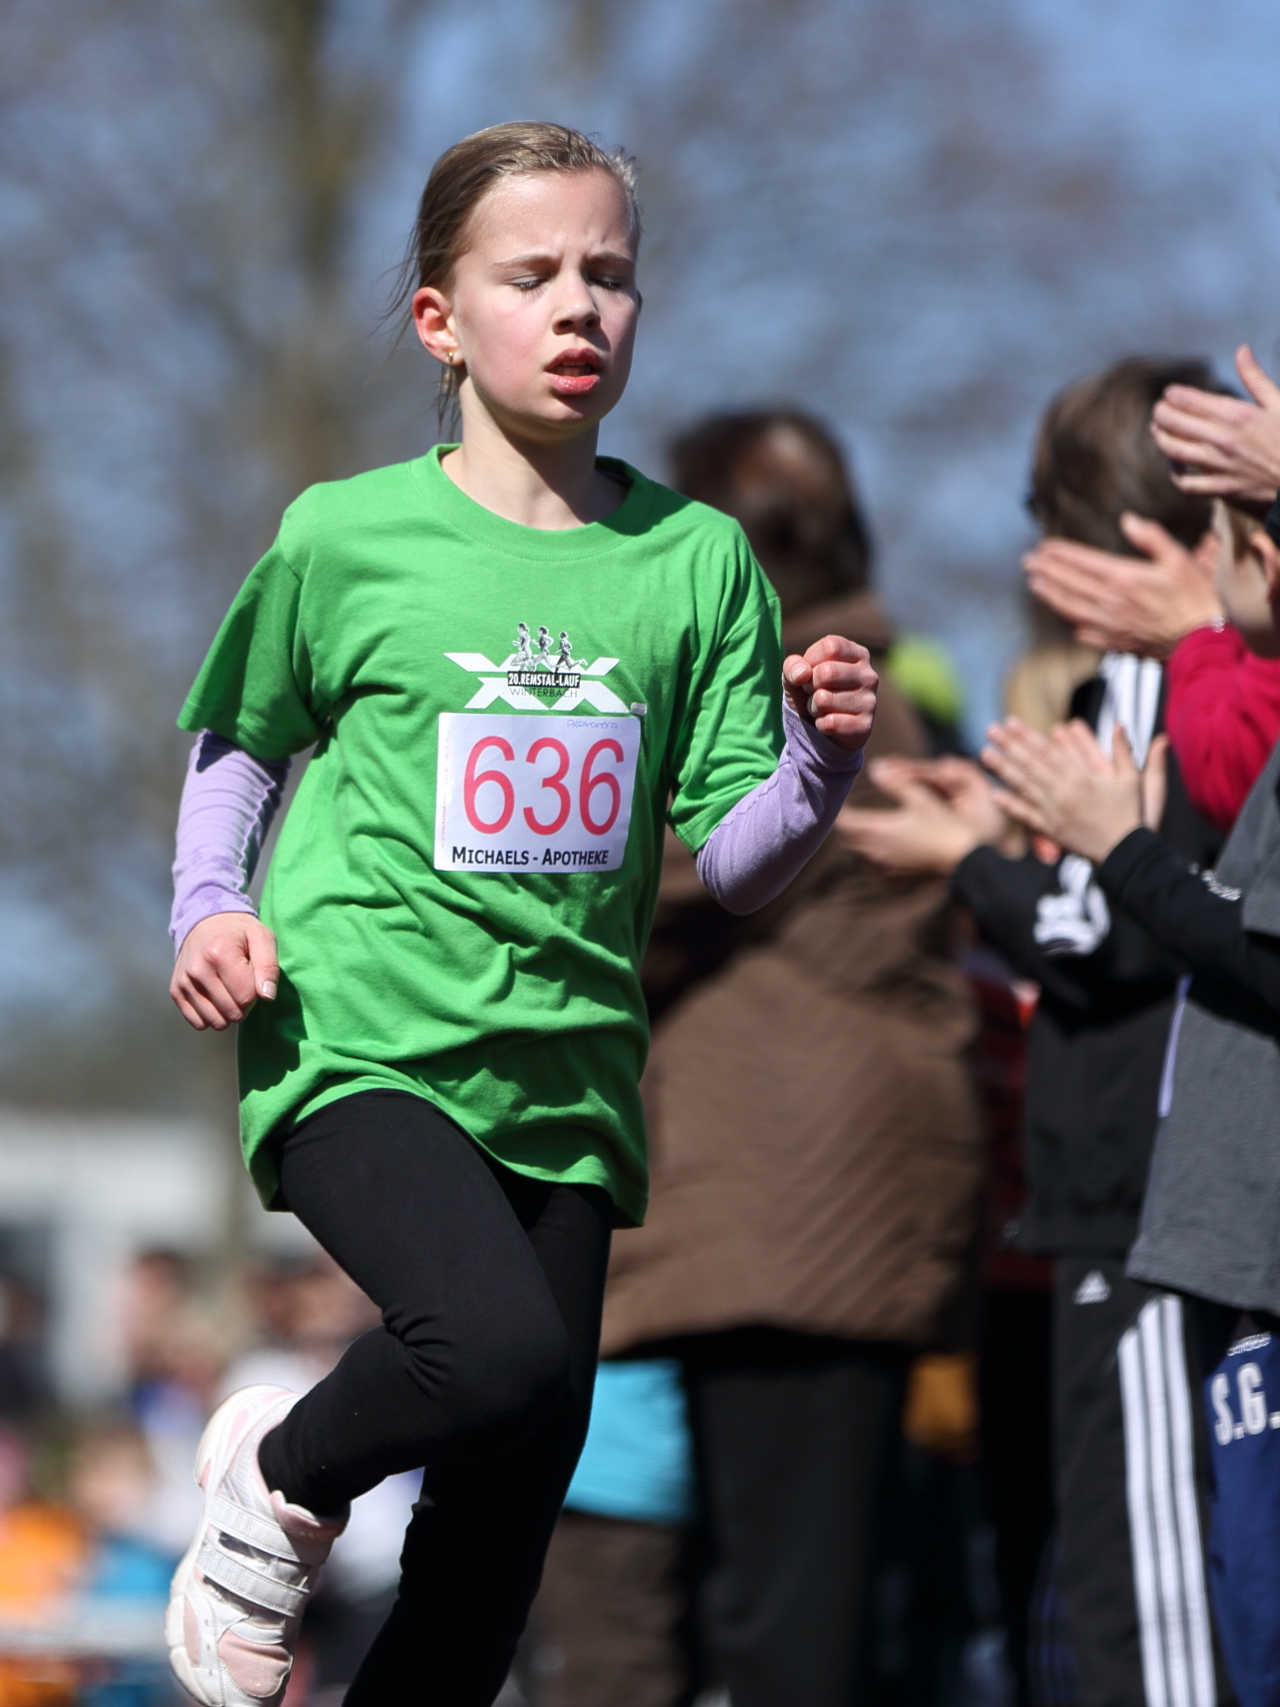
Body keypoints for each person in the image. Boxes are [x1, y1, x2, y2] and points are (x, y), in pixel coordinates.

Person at [163, 123, 878, 1707]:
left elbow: (737, 856)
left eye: (608, 274)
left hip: (567, 1080)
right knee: (489, 1351)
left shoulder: (694, 560)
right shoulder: (344, 535)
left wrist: (820, 767)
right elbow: (242, 739)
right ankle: (280, 1471)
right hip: (359, 1037)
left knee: (491, 1559)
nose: (578, 306)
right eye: (533, 273)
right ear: (440, 318)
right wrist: (208, 905)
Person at [841, 356, 1234, 1707]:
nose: (1041, 566)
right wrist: (987, 845)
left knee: (1159, 1598)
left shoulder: (1182, 689)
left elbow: (1115, 929)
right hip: (1091, 1200)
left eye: (1058, 527)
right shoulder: (1112, 695)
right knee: (1103, 1586)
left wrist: (973, 867)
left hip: (1148, 1199)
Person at [593, 409, 982, 1707]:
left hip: (788, 1211)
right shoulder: (878, 683)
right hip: (824, 1201)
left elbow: (634, 889)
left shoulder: (802, 694)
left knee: (783, 1617)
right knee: (800, 1598)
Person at [979, 493, 1280, 1707]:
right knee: (1158, 1608)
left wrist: (1104, 849)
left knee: (1169, 1628)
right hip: (1164, 1224)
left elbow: (1212, 943)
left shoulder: (1189, 682)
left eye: (1235, 529)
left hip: (1177, 1219)